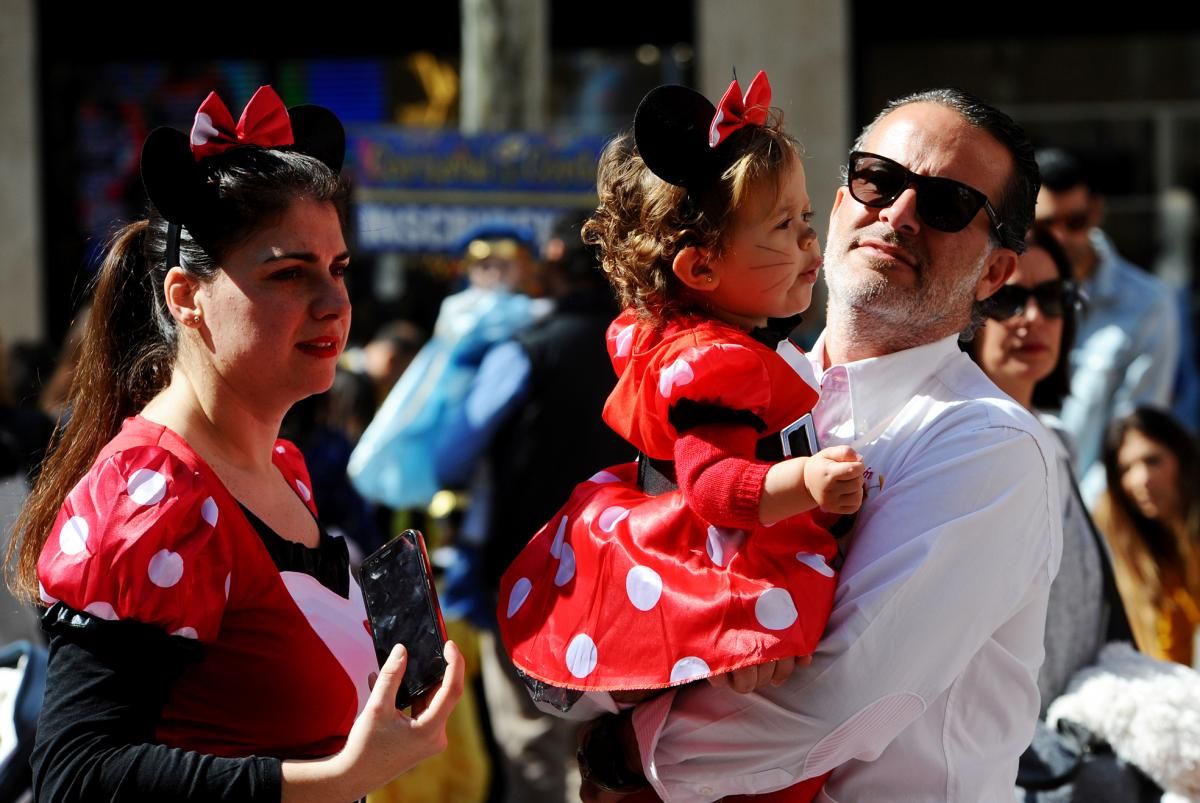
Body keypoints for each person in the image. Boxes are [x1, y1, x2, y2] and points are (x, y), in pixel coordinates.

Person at [572, 88, 1062, 802]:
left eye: (947, 203)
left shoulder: (989, 446)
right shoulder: (743, 386)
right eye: (878, 180)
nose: (897, 215)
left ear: (994, 274)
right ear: (833, 210)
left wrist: (625, 756)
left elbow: (842, 692)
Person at [5, 86, 464, 802]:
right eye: (288, 273)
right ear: (186, 297)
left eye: (339, 268)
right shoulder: (151, 494)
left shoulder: (283, 467)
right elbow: (76, 775)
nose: (335, 302)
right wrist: (337, 777)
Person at [499, 71, 864, 744]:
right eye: (784, 226)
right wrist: (807, 481)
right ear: (700, 270)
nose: (810, 242)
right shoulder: (716, 361)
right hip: (724, 567)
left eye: (806, 219)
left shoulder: (714, 340)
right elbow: (714, 486)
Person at [967, 230, 1151, 801]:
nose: (1033, 319)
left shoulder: (1059, 443)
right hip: (988, 768)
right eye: (1007, 299)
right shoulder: (952, 452)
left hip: (1066, 759)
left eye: (1052, 300)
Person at [1034, 147, 1181, 507]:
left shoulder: (1148, 302)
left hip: (1095, 511)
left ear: (1096, 212)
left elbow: (1133, 431)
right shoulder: (1002, 290)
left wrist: (1078, 521)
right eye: (1045, 226)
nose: (1062, 238)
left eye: (1075, 223)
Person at [1095, 407, 1200, 666]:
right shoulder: (1116, 534)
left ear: (1181, 457)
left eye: (1153, 460)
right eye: (1125, 468)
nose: (1140, 479)